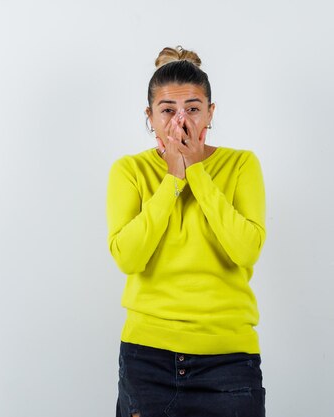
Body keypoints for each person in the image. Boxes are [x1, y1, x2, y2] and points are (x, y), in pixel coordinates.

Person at [106, 46, 267, 417]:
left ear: (211, 112)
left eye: (193, 109)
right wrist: (173, 179)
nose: (181, 121)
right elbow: (128, 258)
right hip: (147, 360)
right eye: (168, 111)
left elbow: (246, 251)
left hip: (228, 361)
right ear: (150, 116)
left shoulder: (242, 165)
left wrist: (197, 171)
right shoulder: (128, 171)